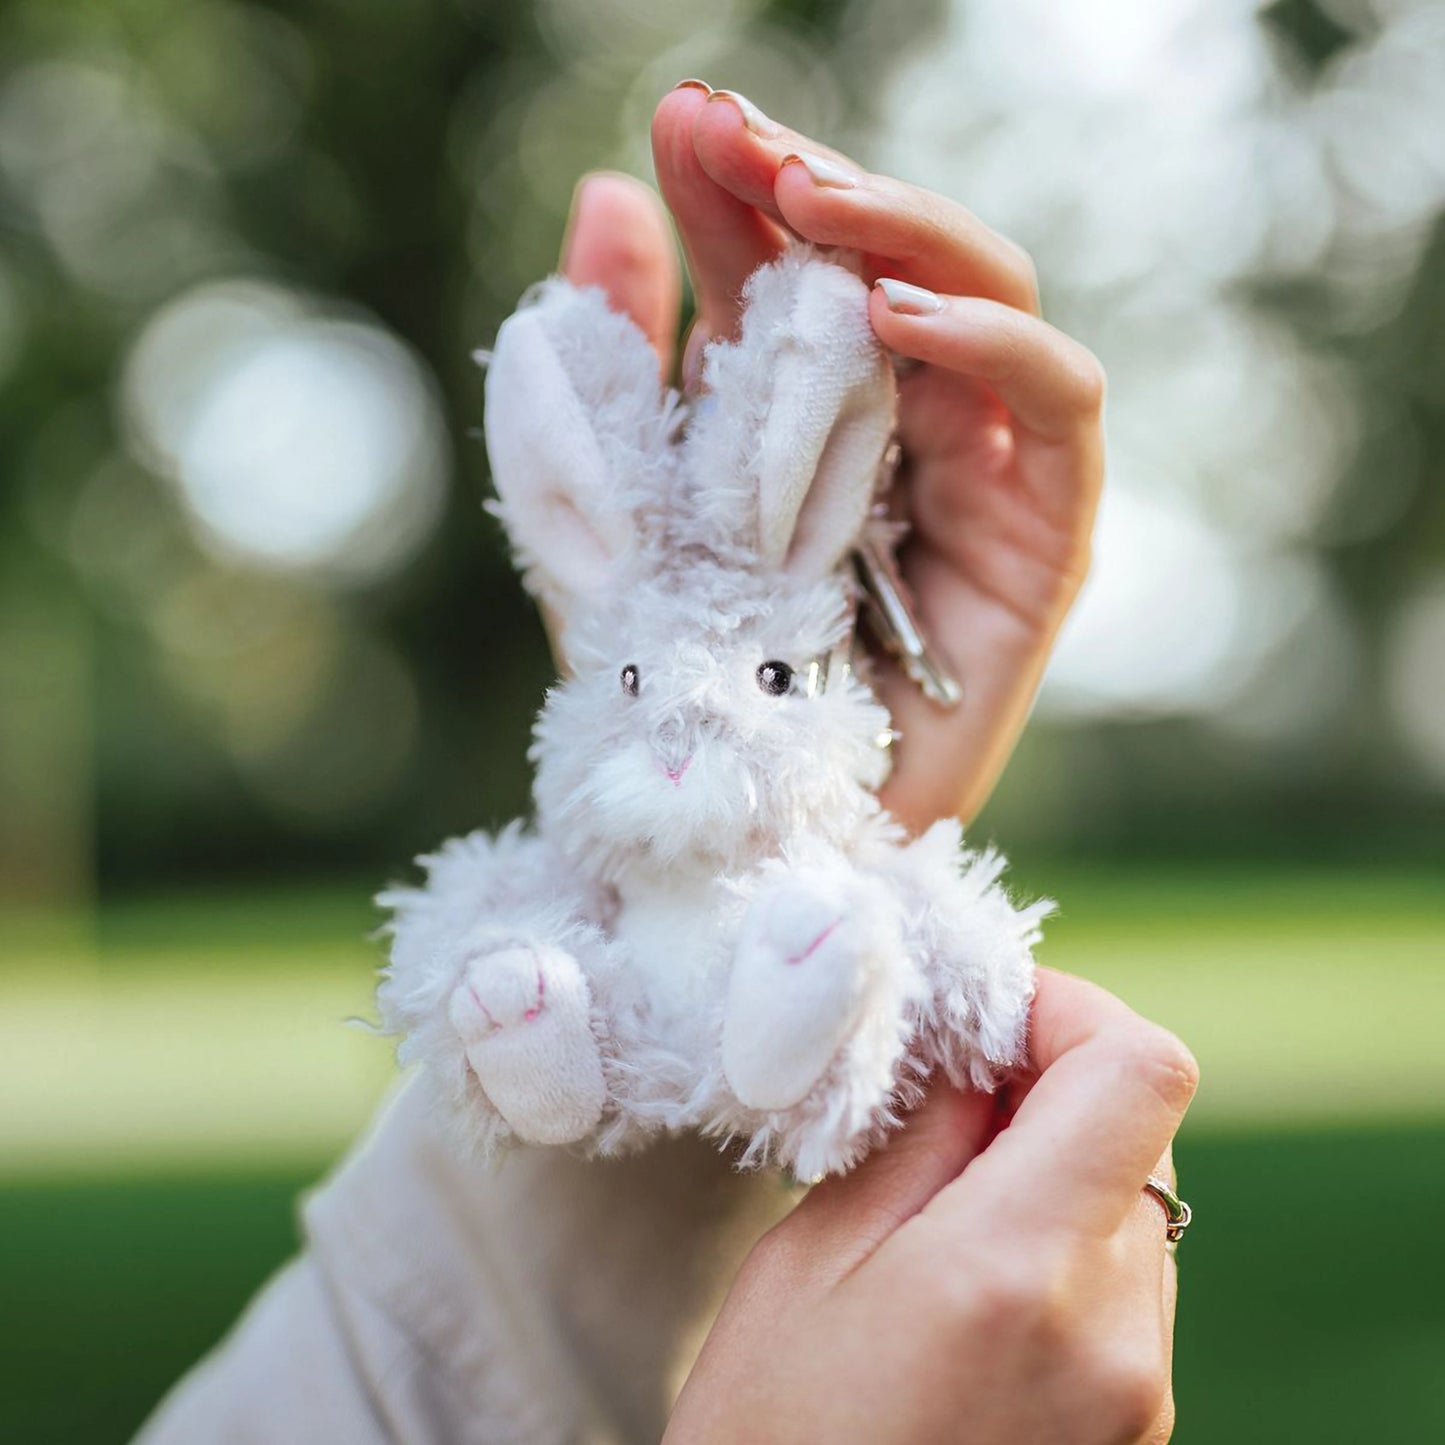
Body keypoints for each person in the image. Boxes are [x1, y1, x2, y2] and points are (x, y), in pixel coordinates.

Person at [137, 82, 1196, 1445]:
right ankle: (561, 1036)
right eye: (637, 687)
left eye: (764, 681)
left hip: (754, 986)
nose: (693, 731)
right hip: (618, 1015)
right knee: (505, 958)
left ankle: (793, 1012)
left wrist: (881, 818)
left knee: (858, 941)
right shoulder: (596, 837)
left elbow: (386, 1384)